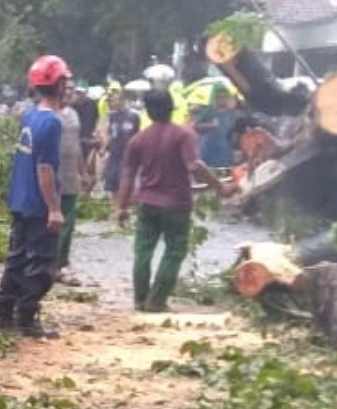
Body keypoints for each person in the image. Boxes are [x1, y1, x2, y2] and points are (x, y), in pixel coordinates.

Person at [115, 90, 231, 312]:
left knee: (142, 251)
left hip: (147, 203)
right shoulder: (183, 134)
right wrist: (220, 187)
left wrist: (121, 207)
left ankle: (140, 299)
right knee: (174, 251)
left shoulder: (138, 139)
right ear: (172, 108)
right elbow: (194, 166)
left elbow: (128, 173)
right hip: (176, 204)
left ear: (148, 112)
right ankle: (156, 301)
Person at [0, 55, 69, 339]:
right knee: (41, 266)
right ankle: (26, 318)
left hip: (20, 199)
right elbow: (45, 168)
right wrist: (54, 208)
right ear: (59, 84)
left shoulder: (30, 115)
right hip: (38, 204)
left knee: (16, 259)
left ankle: (4, 314)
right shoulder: (51, 123)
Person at [56, 81, 86, 283]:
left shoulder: (73, 115)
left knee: (68, 224)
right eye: (65, 88)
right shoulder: (46, 114)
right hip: (51, 176)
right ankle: (48, 264)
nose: (69, 92)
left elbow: (76, 144)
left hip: (70, 178)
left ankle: (60, 265)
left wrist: (83, 171)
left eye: (71, 89)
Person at [99, 86, 141, 198]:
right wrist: (103, 147)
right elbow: (108, 133)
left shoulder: (134, 116)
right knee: (113, 185)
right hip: (114, 155)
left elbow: (138, 135)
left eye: (115, 100)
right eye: (111, 100)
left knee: (127, 184)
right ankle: (115, 209)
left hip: (128, 156)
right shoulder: (111, 116)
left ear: (122, 100)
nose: (112, 103)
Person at [193, 86, 237, 170]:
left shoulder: (230, 114)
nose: (222, 99)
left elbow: (234, 132)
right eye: (220, 97)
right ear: (215, 98)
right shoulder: (209, 112)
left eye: (224, 97)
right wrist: (210, 125)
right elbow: (194, 126)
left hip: (224, 152)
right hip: (208, 151)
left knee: (224, 176)